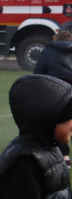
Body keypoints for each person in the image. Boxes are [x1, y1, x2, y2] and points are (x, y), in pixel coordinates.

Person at [34, 29, 72, 166]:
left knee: (56, 124)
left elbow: (38, 73)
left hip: (54, 91)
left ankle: (62, 156)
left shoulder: (48, 51)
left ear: (55, 39)